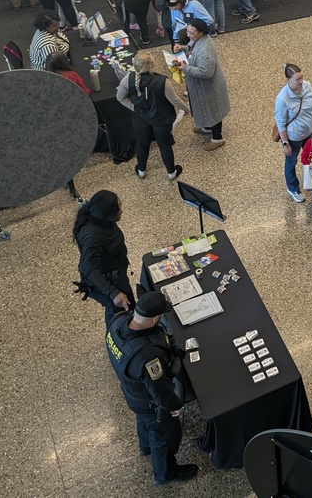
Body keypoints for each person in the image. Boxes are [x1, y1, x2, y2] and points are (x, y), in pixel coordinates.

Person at [105, 291, 198, 486]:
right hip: (150, 402)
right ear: (156, 318)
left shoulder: (117, 323)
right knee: (163, 437)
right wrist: (176, 406)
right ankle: (165, 474)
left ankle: (145, 447)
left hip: (133, 395)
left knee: (144, 423)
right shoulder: (148, 357)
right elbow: (161, 392)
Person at [116, 53, 189, 182]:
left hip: (140, 120)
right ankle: (171, 172)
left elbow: (120, 97)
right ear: (151, 65)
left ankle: (141, 170)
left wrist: (135, 108)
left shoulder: (128, 80)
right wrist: (186, 109)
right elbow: (175, 100)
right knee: (164, 145)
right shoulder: (163, 82)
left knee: (142, 144)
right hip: (161, 119)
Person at [171, 20, 230, 152]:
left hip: (210, 87)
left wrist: (186, 68)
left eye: (191, 33)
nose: (188, 35)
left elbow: (206, 72)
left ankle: (217, 138)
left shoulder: (205, 51)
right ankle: (206, 126)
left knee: (213, 111)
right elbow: (192, 49)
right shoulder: (200, 40)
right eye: (187, 31)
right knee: (207, 110)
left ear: (201, 32)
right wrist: (183, 48)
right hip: (202, 87)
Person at [73, 189, 132, 321]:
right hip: (108, 280)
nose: (121, 211)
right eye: (117, 210)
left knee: (123, 306)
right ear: (106, 214)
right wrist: (113, 293)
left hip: (116, 272)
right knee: (119, 311)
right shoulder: (93, 236)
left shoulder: (101, 220)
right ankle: (115, 335)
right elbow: (90, 269)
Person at [275, 63, 312, 203]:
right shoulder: (282, 98)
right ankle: (293, 187)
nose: (301, 82)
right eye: (297, 79)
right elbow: (280, 123)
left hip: (309, 132)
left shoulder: (307, 86)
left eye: (302, 78)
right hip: (293, 137)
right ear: (288, 80)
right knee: (291, 162)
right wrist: (285, 143)